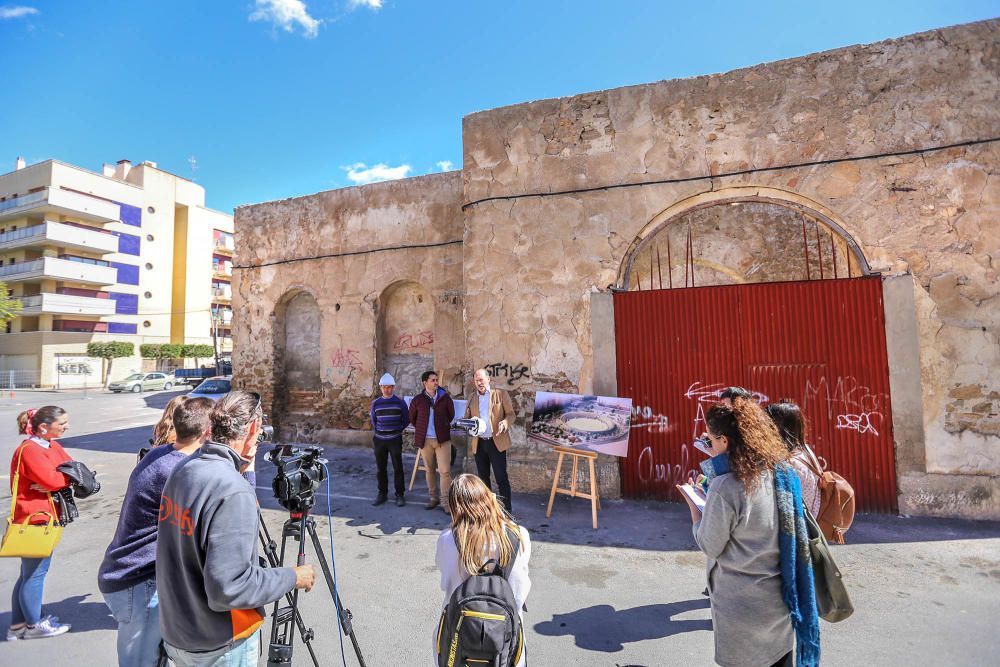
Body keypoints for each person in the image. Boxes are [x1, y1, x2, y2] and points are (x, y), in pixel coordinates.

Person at [156, 390, 315, 665]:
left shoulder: (183, 469)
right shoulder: (232, 490)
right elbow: (230, 589)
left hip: (179, 633)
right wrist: (292, 576)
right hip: (219, 643)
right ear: (253, 428)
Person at [680, 399, 820, 667]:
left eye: (711, 440)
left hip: (741, 610)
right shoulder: (780, 474)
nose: (710, 446)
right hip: (779, 604)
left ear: (724, 441)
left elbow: (710, 544)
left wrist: (696, 509)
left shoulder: (726, 487)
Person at [98, 397, 214, 666]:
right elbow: (229, 506)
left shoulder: (160, 454)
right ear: (207, 431)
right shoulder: (179, 470)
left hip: (130, 573)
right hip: (140, 581)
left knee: (154, 658)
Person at [434, 474, 531, 667]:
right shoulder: (518, 536)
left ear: (455, 508)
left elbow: (446, 582)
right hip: (504, 640)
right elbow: (519, 595)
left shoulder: (448, 539)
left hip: (458, 639)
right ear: (489, 498)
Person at [6, 406, 73, 640]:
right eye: (62, 423)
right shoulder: (30, 450)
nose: (66, 427)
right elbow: (52, 479)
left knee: (29, 574)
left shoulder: (51, 445)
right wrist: (62, 479)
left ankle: (18, 625)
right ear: (44, 427)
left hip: (45, 515)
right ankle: (34, 626)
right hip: (34, 518)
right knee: (34, 574)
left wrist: (62, 478)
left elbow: (72, 468)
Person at [463, 368, 516, 514]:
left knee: (501, 478)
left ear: (488, 379)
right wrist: (467, 423)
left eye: (481, 379)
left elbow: (511, 415)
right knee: (483, 479)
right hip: (479, 443)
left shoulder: (500, 394)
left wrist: (504, 424)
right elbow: (467, 418)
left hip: (496, 442)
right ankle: (488, 511)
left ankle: (507, 511)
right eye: (476, 380)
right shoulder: (472, 397)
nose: (479, 383)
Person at [408, 371, 456, 514]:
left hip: (442, 440)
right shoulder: (418, 400)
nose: (436, 382)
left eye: (436, 380)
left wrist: (441, 427)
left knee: (445, 471)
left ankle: (446, 502)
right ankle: (433, 498)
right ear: (425, 383)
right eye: (433, 380)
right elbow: (412, 418)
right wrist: (423, 429)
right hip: (426, 440)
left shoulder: (444, 398)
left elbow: (450, 414)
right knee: (429, 470)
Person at [766, 400, 822, 517]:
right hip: (813, 525)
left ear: (777, 429)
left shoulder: (790, 465)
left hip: (800, 529)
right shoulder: (805, 451)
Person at [370, 372, 409, 507]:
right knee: (381, 468)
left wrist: (397, 430)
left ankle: (400, 494)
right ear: (380, 387)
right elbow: (374, 421)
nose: (387, 389)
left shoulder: (400, 402)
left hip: (395, 440)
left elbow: (406, 419)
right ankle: (382, 494)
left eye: (389, 387)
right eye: (384, 387)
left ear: (393, 387)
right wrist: (382, 431)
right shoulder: (375, 403)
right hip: (379, 440)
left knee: (398, 467)